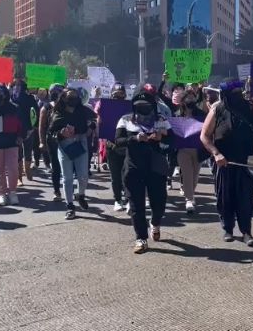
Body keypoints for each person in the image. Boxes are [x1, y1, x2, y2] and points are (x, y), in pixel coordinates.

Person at [200, 78, 253, 246]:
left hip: (247, 162)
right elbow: (205, 136)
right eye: (233, 94)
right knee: (225, 197)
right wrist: (216, 154)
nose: (237, 96)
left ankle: (246, 232)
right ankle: (228, 229)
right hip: (224, 163)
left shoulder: (252, 108)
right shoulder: (218, 109)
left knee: (246, 198)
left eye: (239, 93)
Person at [115, 91, 171, 254]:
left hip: (156, 168)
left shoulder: (161, 120)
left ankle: (155, 222)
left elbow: (173, 140)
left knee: (159, 203)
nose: (142, 109)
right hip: (133, 167)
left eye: (146, 106)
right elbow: (118, 141)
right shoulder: (125, 120)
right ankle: (141, 238)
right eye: (139, 106)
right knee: (136, 205)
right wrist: (134, 138)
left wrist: (161, 137)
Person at [48, 88, 97, 219]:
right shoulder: (57, 113)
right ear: (63, 98)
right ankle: (70, 206)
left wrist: (90, 128)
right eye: (70, 96)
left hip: (81, 143)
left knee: (83, 175)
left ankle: (81, 195)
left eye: (76, 96)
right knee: (67, 178)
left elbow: (95, 120)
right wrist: (60, 133)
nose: (73, 99)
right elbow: (51, 132)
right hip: (64, 147)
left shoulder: (83, 111)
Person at [97, 83, 129, 211]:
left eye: (121, 95)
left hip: (126, 146)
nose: (119, 98)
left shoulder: (129, 108)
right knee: (115, 176)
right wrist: (100, 117)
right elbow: (100, 125)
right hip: (111, 146)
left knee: (127, 175)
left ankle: (127, 199)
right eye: (116, 95)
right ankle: (117, 199)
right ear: (111, 95)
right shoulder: (106, 107)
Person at [174, 89, 207, 214]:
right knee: (187, 173)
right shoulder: (177, 115)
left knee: (195, 176)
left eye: (192, 99)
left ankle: (190, 193)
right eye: (188, 99)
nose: (190, 101)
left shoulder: (202, 115)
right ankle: (189, 199)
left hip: (198, 149)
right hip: (183, 150)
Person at [39, 84, 65, 201]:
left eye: (58, 91)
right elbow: (42, 127)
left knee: (68, 166)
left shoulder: (67, 106)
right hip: (52, 141)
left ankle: (69, 189)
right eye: (53, 91)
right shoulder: (46, 107)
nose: (56, 94)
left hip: (66, 139)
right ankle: (57, 191)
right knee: (55, 166)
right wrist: (42, 142)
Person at [10, 79, 38, 183]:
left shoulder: (30, 98)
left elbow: (35, 113)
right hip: (15, 130)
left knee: (28, 150)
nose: (16, 88)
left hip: (28, 129)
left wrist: (33, 127)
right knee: (17, 153)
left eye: (19, 86)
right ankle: (19, 177)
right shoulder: (10, 99)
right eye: (14, 85)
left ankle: (27, 170)